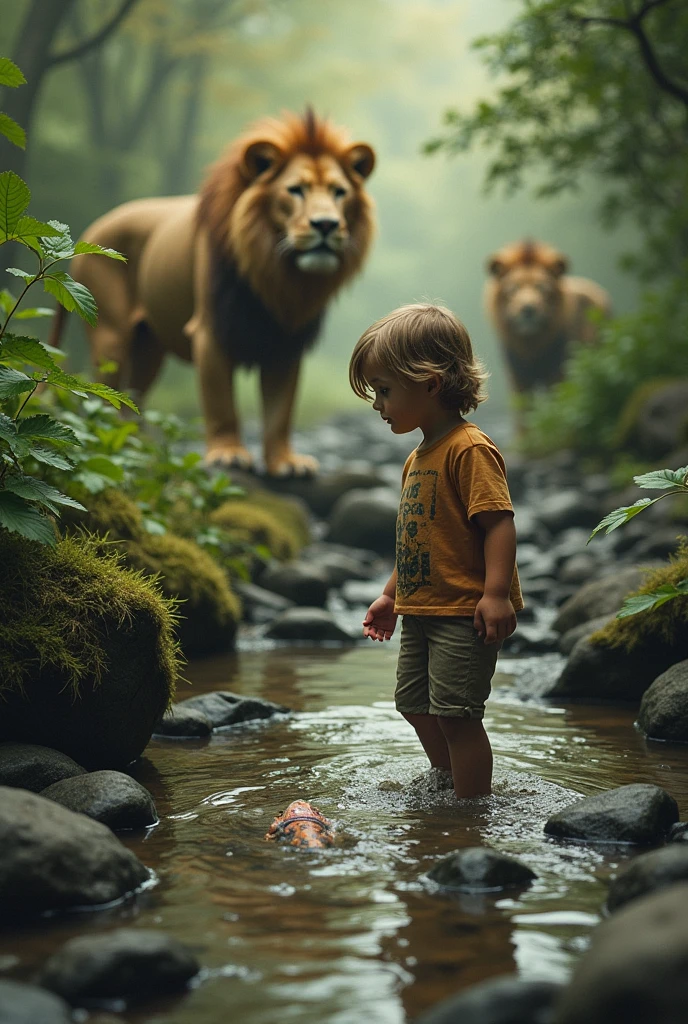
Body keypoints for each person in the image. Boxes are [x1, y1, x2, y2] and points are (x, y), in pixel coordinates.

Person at [348, 303, 522, 799]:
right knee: (414, 704)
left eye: (384, 390)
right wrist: (389, 595)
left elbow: (499, 524)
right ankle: (447, 781)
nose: (378, 404)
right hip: (422, 607)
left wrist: (495, 594)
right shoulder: (418, 456)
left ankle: (472, 811)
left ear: (429, 382)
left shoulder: (468, 448)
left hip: (464, 612)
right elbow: (417, 538)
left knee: (457, 714)